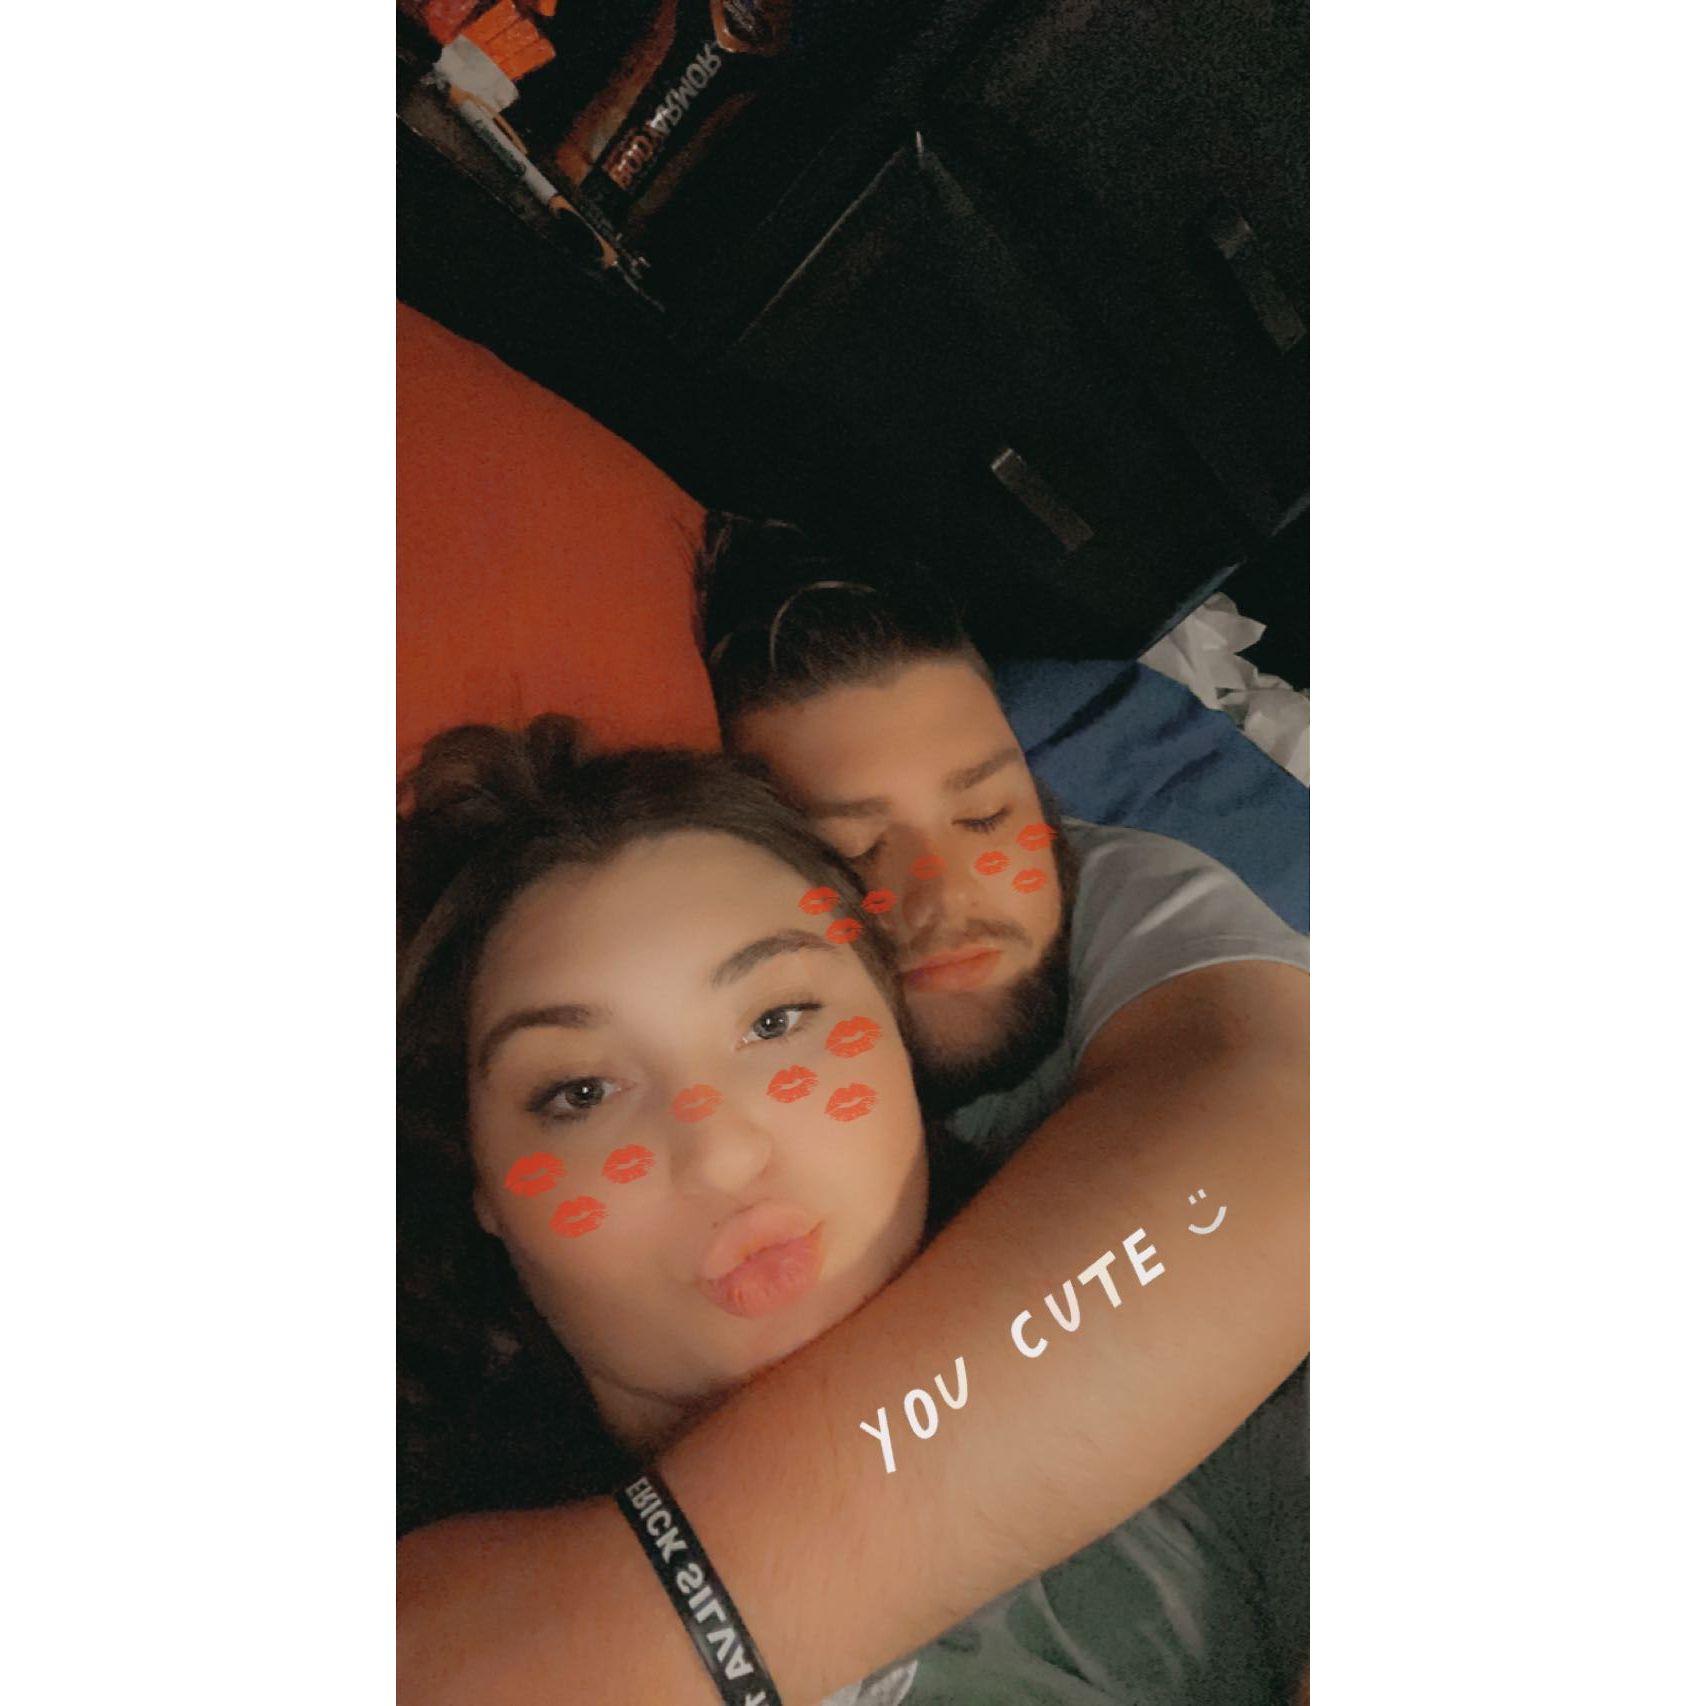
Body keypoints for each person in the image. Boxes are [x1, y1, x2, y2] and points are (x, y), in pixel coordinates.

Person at [398, 716, 1305, 1704]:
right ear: (483, 1182)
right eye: (579, 1092)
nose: (722, 1152)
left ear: (901, 1036)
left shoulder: (1225, 1379)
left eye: (777, 1019)